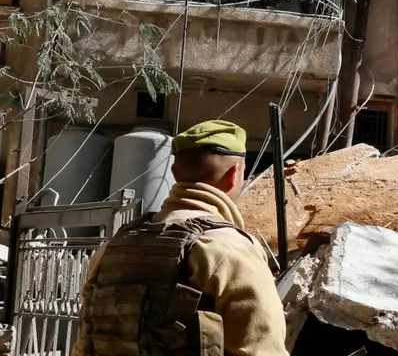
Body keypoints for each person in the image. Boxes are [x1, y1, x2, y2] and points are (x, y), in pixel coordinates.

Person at [72, 120, 286, 356]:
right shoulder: (227, 248)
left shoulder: (113, 247)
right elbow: (262, 348)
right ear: (235, 174)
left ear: (175, 174)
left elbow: (85, 340)